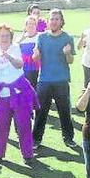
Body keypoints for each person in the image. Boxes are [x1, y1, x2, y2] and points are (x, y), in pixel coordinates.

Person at [0, 24, 38, 165]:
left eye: (7, 36)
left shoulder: (15, 48)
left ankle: (28, 155)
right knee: (0, 126)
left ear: (11, 38)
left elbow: (19, 65)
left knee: (23, 125)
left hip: (19, 94)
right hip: (3, 96)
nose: (4, 38)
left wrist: (9, 56)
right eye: (2, 36)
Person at [31, 9, 77, 150]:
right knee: (40, 112)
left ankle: (68, 138)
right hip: (44, 80)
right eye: (52, 19)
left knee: (64, 112)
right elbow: (35, 59)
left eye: (57, 19)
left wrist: (68, 53)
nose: (54, 21)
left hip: (61, 80)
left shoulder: (67, 38)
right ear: (48, 21)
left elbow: (70, 61)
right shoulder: (41, 37)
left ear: (61, 21)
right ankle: (36, 139)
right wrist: (36, 55)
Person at [17, 15, 40, 88]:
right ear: (25, 26)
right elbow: (13, 49)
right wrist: (21, 39)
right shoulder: (21, 38)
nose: (31, 26)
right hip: (24, 69)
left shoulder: (40, 37)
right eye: (29, 24)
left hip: (37, 68)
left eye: (33, 24)